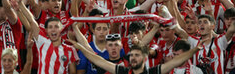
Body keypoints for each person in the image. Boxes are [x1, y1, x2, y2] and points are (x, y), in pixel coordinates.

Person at [68, 41, 201, 74]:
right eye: (131, 55)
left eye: (136, 55)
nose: (132, 58)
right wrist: (81, 47)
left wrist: (195, 49)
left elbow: (176, 61)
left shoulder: (153, 72)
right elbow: (98, 60)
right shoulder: (123, 71)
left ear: (144, 58)